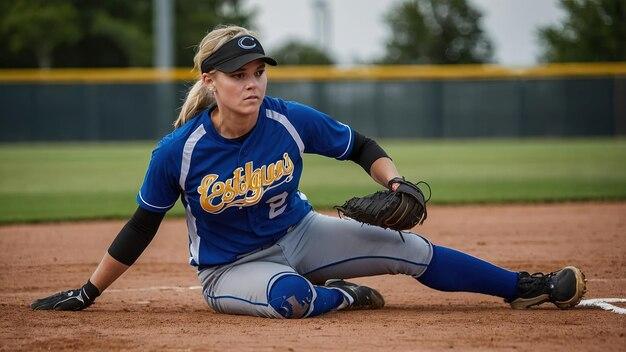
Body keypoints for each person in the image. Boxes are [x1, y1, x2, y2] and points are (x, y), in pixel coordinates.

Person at [30, 25, 586, 317]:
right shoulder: (180, 151)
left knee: (411, 250)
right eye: (236, 74)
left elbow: (361, 146)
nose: (251, 83)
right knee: (290, 299)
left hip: (301, 232)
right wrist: (87, 291)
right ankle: (342, 296)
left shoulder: (289, 120)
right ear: (209, 83)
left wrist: (395, 182)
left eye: (257, 72)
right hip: (230, 270)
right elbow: (141, 227)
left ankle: (523, 287)